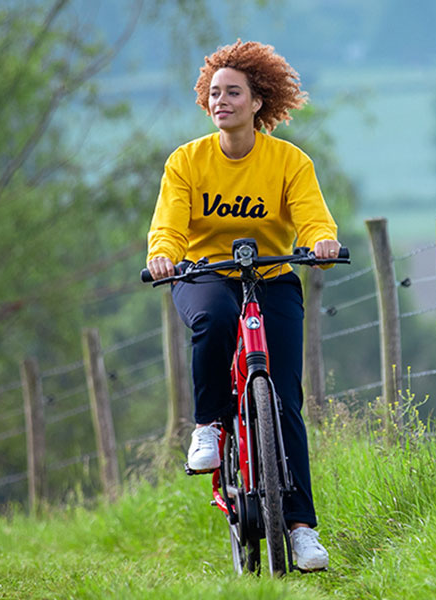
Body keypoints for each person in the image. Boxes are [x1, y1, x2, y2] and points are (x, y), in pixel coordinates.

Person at [145, 40, 339, 572]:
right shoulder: (188, 160)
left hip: (271, 277)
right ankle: (208, 424)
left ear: (258, 102)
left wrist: (321, 243)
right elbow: (169, 225)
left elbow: (313, 217)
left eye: (233, 92)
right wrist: (163, 256)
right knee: (216, 319)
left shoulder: (287, 160)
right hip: (203, 274)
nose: (221, 100)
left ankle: (301, 530)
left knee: (284, 401)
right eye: (213, 93)